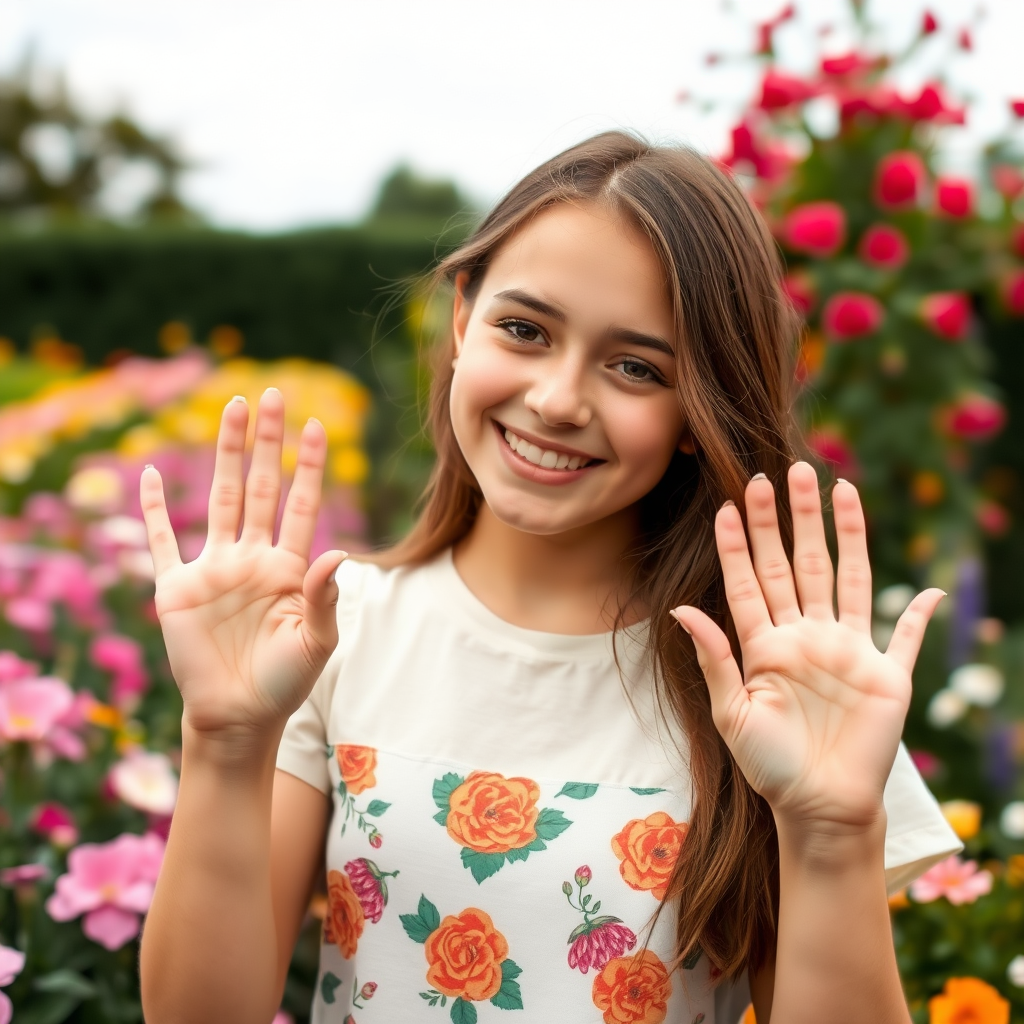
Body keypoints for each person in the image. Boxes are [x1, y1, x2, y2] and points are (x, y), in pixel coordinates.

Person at [138, 133, 960, 1024]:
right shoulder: (329, 638)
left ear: (697, 411)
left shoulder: (770, 688)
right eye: (525, 330)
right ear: (462, 318)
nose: (559, 399)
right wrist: (222, 740)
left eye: (636, 367)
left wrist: (833, 832)